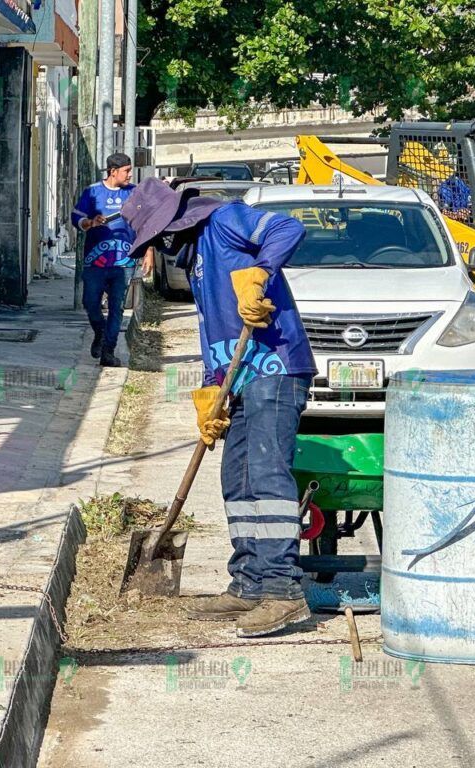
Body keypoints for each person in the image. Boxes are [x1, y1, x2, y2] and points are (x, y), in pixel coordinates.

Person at [121, 178, 317, 638]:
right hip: (241, 378)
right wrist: (213, 394)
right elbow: (216, 334)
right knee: (237, 479)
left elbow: (287, 229)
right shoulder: (196, 266)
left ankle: (284, 590)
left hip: (276, 368)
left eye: (158, 238)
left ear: (173, 226)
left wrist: (260, 274)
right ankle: (249, 582)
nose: (161, 249)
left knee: (267, 476)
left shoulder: (225, 221)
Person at [71, 153, 154, 367]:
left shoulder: (135, 193)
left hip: (124, 262)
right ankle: (99, 332)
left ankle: (108, 351)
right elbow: (76, 218)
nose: (129, 175)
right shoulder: (92, 192)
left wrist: (149, 251)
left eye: (130, 170)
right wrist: (89, 222)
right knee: (90, 303)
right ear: (112, 171)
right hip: (95, 261)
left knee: (117, 307)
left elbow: (146, 223)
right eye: (126, 171)